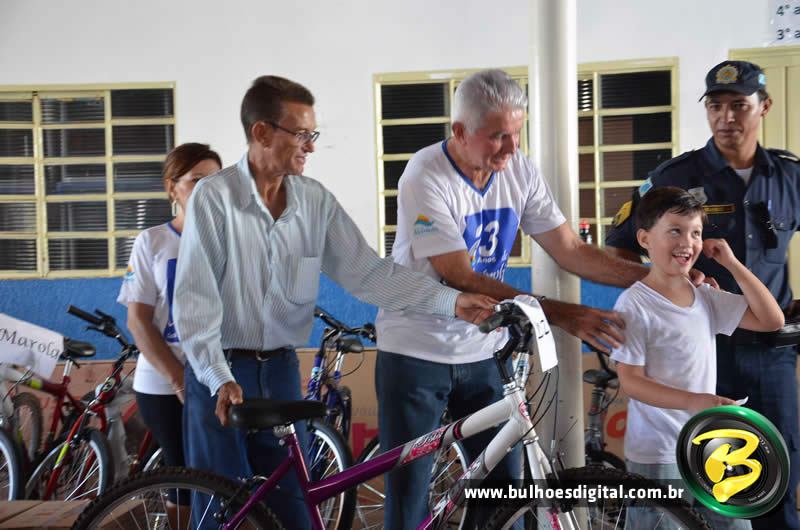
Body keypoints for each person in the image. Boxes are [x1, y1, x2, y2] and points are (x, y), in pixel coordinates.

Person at [172, 75, 495, 529]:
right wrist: (217, 375)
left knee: (294, 508)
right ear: (261, 132)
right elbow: (195, 301)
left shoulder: (315, 202)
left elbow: (369, 274)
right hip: (222, 371)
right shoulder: (215, 198)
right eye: (301, 134)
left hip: (281, 371)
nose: (310, 146)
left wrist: (452, 302)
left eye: (313, 134)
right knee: (219, 510)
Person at [374, 69, 689, 530]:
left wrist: (658, 278)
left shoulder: (518, 169)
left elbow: (571, 250)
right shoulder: (425, 174)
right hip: (415, 349)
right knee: (409, 495)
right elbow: (459, 275)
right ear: (459, 131)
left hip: (484, 349)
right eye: (497, 136)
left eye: (516, 134)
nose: (510, 148)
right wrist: (560, 314)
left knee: (502, 493)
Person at [606, 60, 800, 530]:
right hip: (705, 349)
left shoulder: (791, 177)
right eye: (715, 105)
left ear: (764, 107)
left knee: (775, 476)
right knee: (706, 487)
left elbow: (770, 316)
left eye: (739, 105)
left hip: (770, 355)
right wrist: (668, 281)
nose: (726, 117)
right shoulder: (675, 176)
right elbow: (621, 246)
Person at [611, 186, 784, 529]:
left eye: (695, 233)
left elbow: (771, 319)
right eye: (675, 231)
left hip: (709, 443)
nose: (687, 243)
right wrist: (695, 401)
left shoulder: (704, 295)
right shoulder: (634, 304)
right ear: (644, 239)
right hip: (659, 453)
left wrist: (732, 264)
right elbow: (631, 382)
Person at [118, 142, 221, 520]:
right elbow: (138, 321)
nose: (207, 190)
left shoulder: (231, 239)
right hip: (164, 383)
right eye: (196, 180)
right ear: (172, 188)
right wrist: (179, 379)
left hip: (219, 377)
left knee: (224, 473)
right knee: (184, 474)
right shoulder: (153, 242)